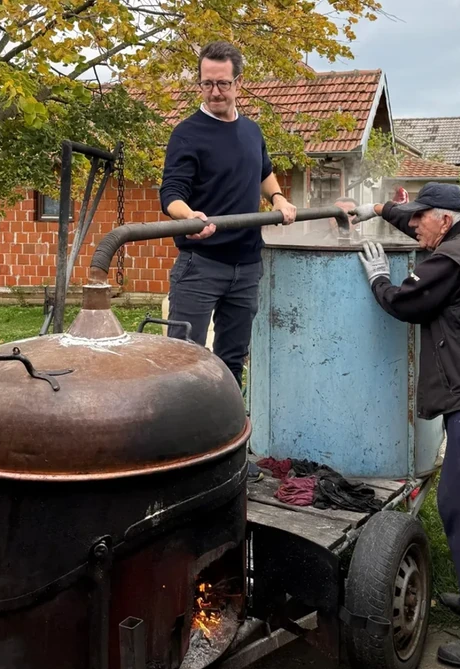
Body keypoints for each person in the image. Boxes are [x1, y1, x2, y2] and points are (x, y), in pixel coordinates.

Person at [353, 182, 460, 668]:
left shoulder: (449, 260)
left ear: (444, 220)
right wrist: (376, 207)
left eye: (419, 219)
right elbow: (414, 216)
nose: (413, 226)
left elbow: (405, 303)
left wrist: (379, 279)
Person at [159, 40, 296, 481]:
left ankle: (226, 452)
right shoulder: (187, 133)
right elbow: (171, 193)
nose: (214, 92)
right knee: (185, 362)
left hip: (246, 265)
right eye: (206, 84)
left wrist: (278, 198)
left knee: (232, 361)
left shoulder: (252, 131)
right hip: (200, 265)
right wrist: (189, 216)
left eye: (222, 83)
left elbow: (263, 171)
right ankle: (181, 458)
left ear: (239, 83)